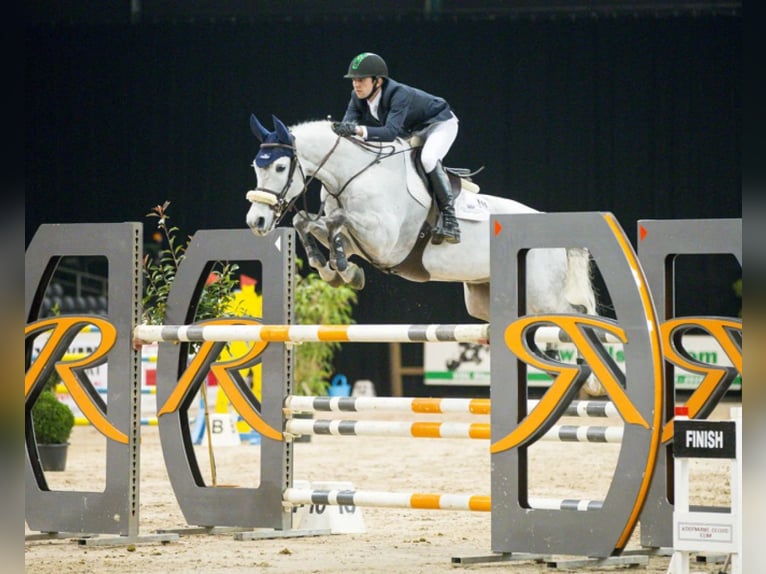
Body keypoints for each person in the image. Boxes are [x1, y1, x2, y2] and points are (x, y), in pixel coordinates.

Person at [331, 52, 461, 245]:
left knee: (428, 159)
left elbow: (390, 133)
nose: (356, 84)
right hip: (413, 130)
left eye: (361, 80)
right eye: (353, 80)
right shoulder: (357, 96)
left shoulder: (399, 93)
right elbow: (347, 126)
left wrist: (357, 130)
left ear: (378, 81)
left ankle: (451, 220)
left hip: (440, 124)